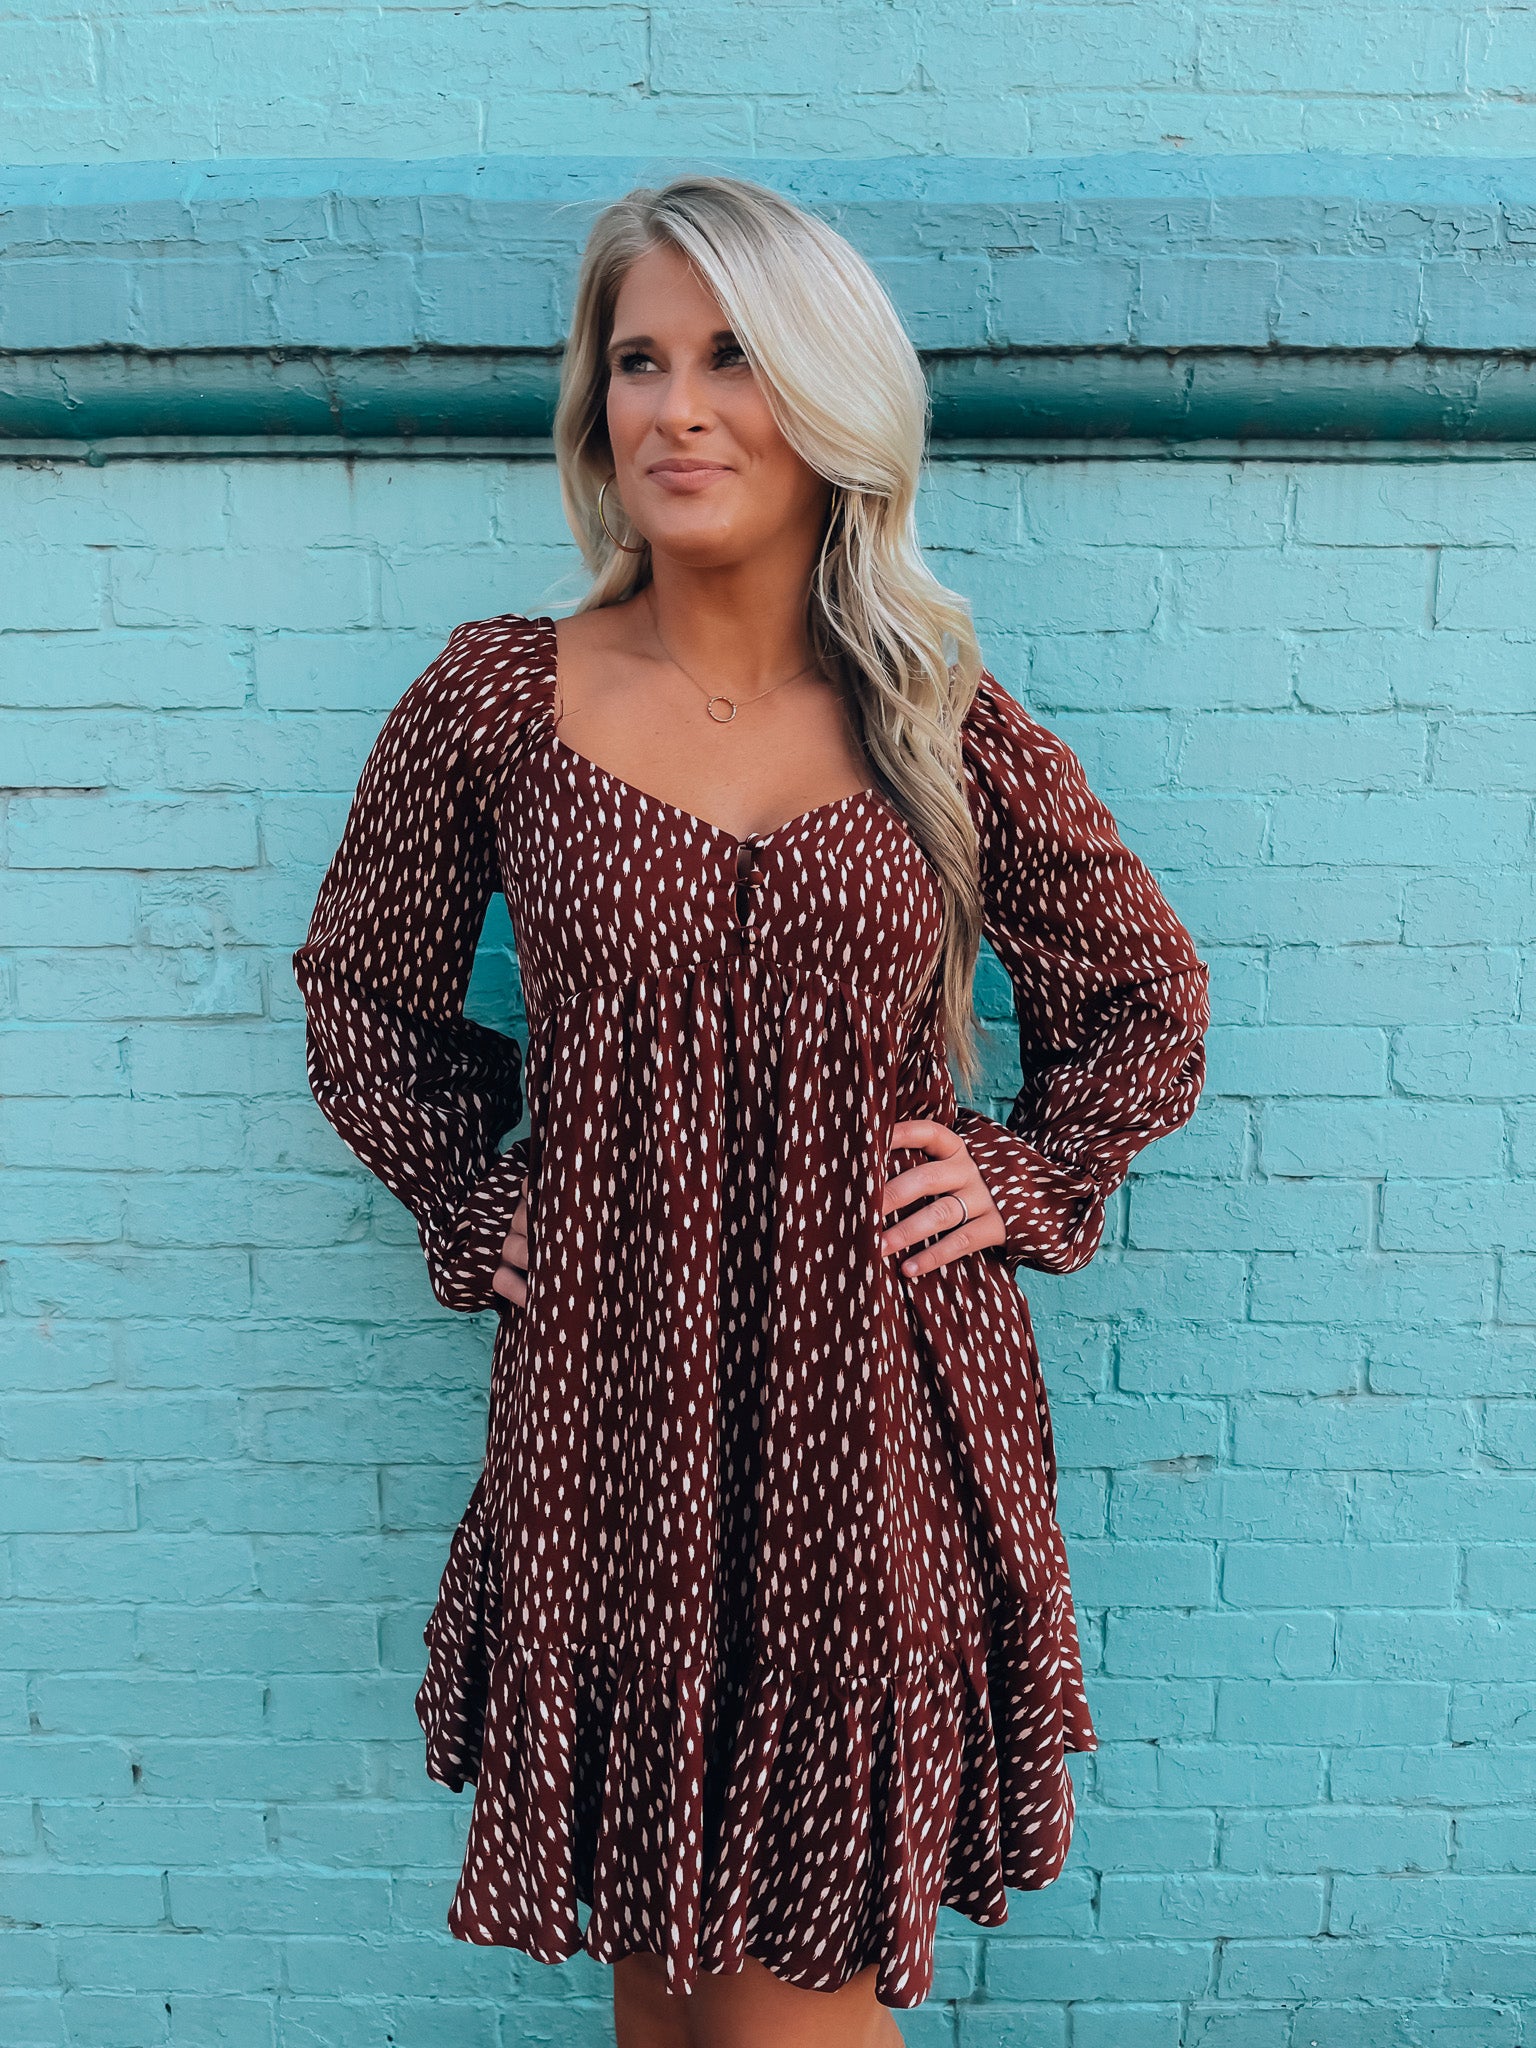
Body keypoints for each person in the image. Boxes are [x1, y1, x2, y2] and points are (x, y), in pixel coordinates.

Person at [291, 173, 1210, 2048]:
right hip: (607, 1425)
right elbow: (364, 991)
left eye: (733, 360)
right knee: (672, 1997)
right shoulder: (496, 700)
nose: (677, 410)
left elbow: (1146, 998)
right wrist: (473, 1201)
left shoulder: (934, 715)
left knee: (794, 1995)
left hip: (870, 1417)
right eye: (638, 362)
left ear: (828, 403)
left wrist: (1025, 1176)